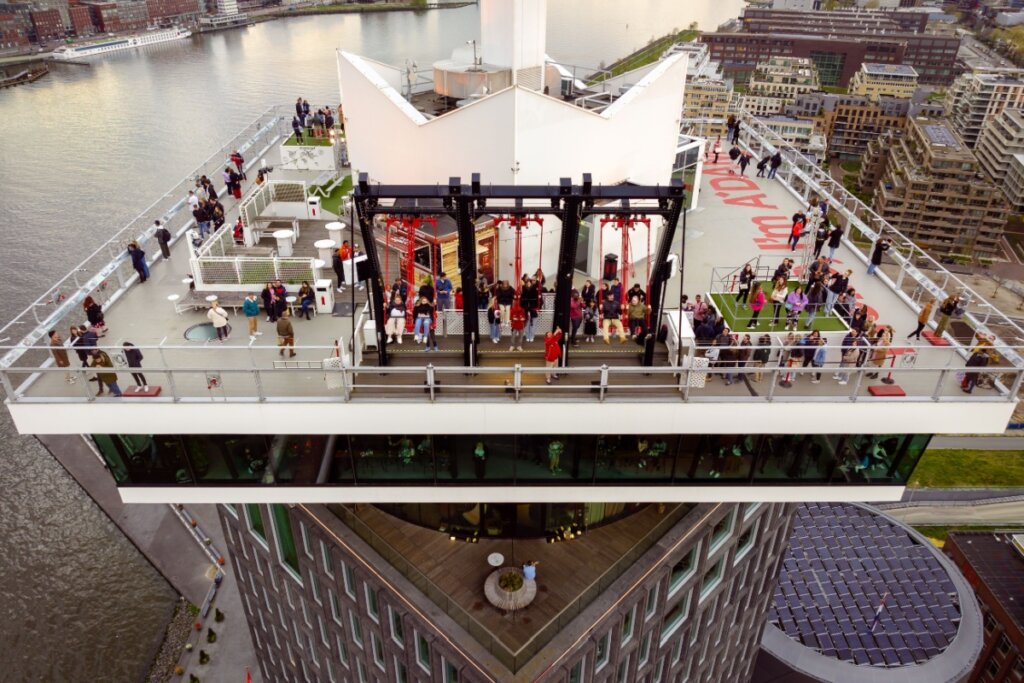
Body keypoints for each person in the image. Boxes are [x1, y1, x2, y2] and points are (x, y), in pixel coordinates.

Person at [520, 278, 540, 342]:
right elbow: (521, 300)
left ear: (531, 283)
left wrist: (536, 307)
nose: (528, 284)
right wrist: (523, 306)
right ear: (526, 283)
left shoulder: (535, 290)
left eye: (529, 283)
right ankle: (527, 336)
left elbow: (538, 301)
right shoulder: (523, 290)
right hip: (526, 310)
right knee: (526, 324)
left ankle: (531, 336)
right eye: (527, 283)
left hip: (533, 310)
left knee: (533, 325)